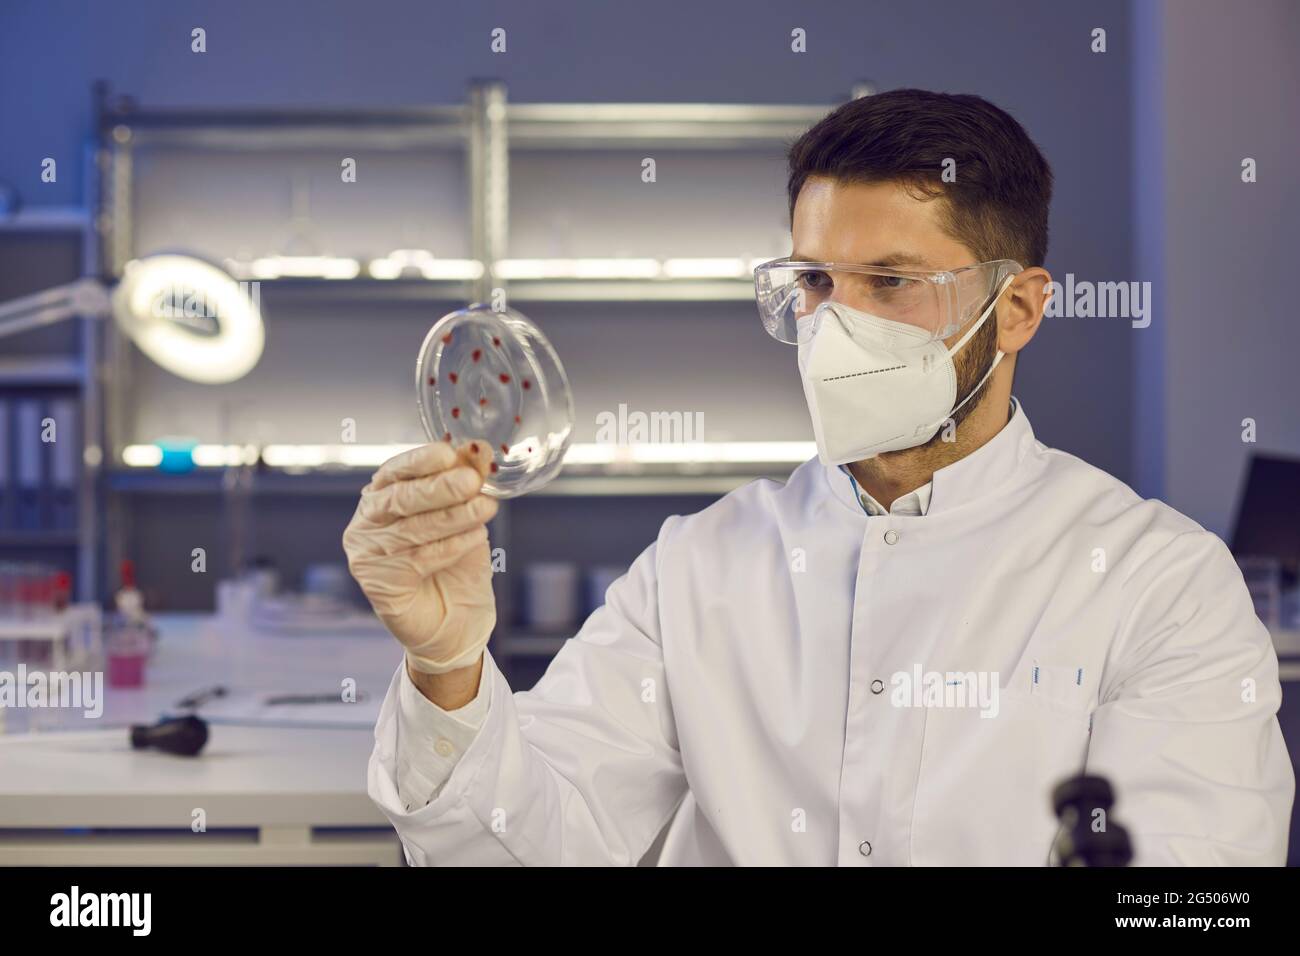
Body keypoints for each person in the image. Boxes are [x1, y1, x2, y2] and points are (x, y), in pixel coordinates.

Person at [344, 89, 1294, 866]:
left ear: (1017, 309)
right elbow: (521, 847)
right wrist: (449, 669)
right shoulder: (696, 570)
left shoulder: (1159, 583)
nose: (834, 327)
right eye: (814, 284)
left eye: (891, 283)